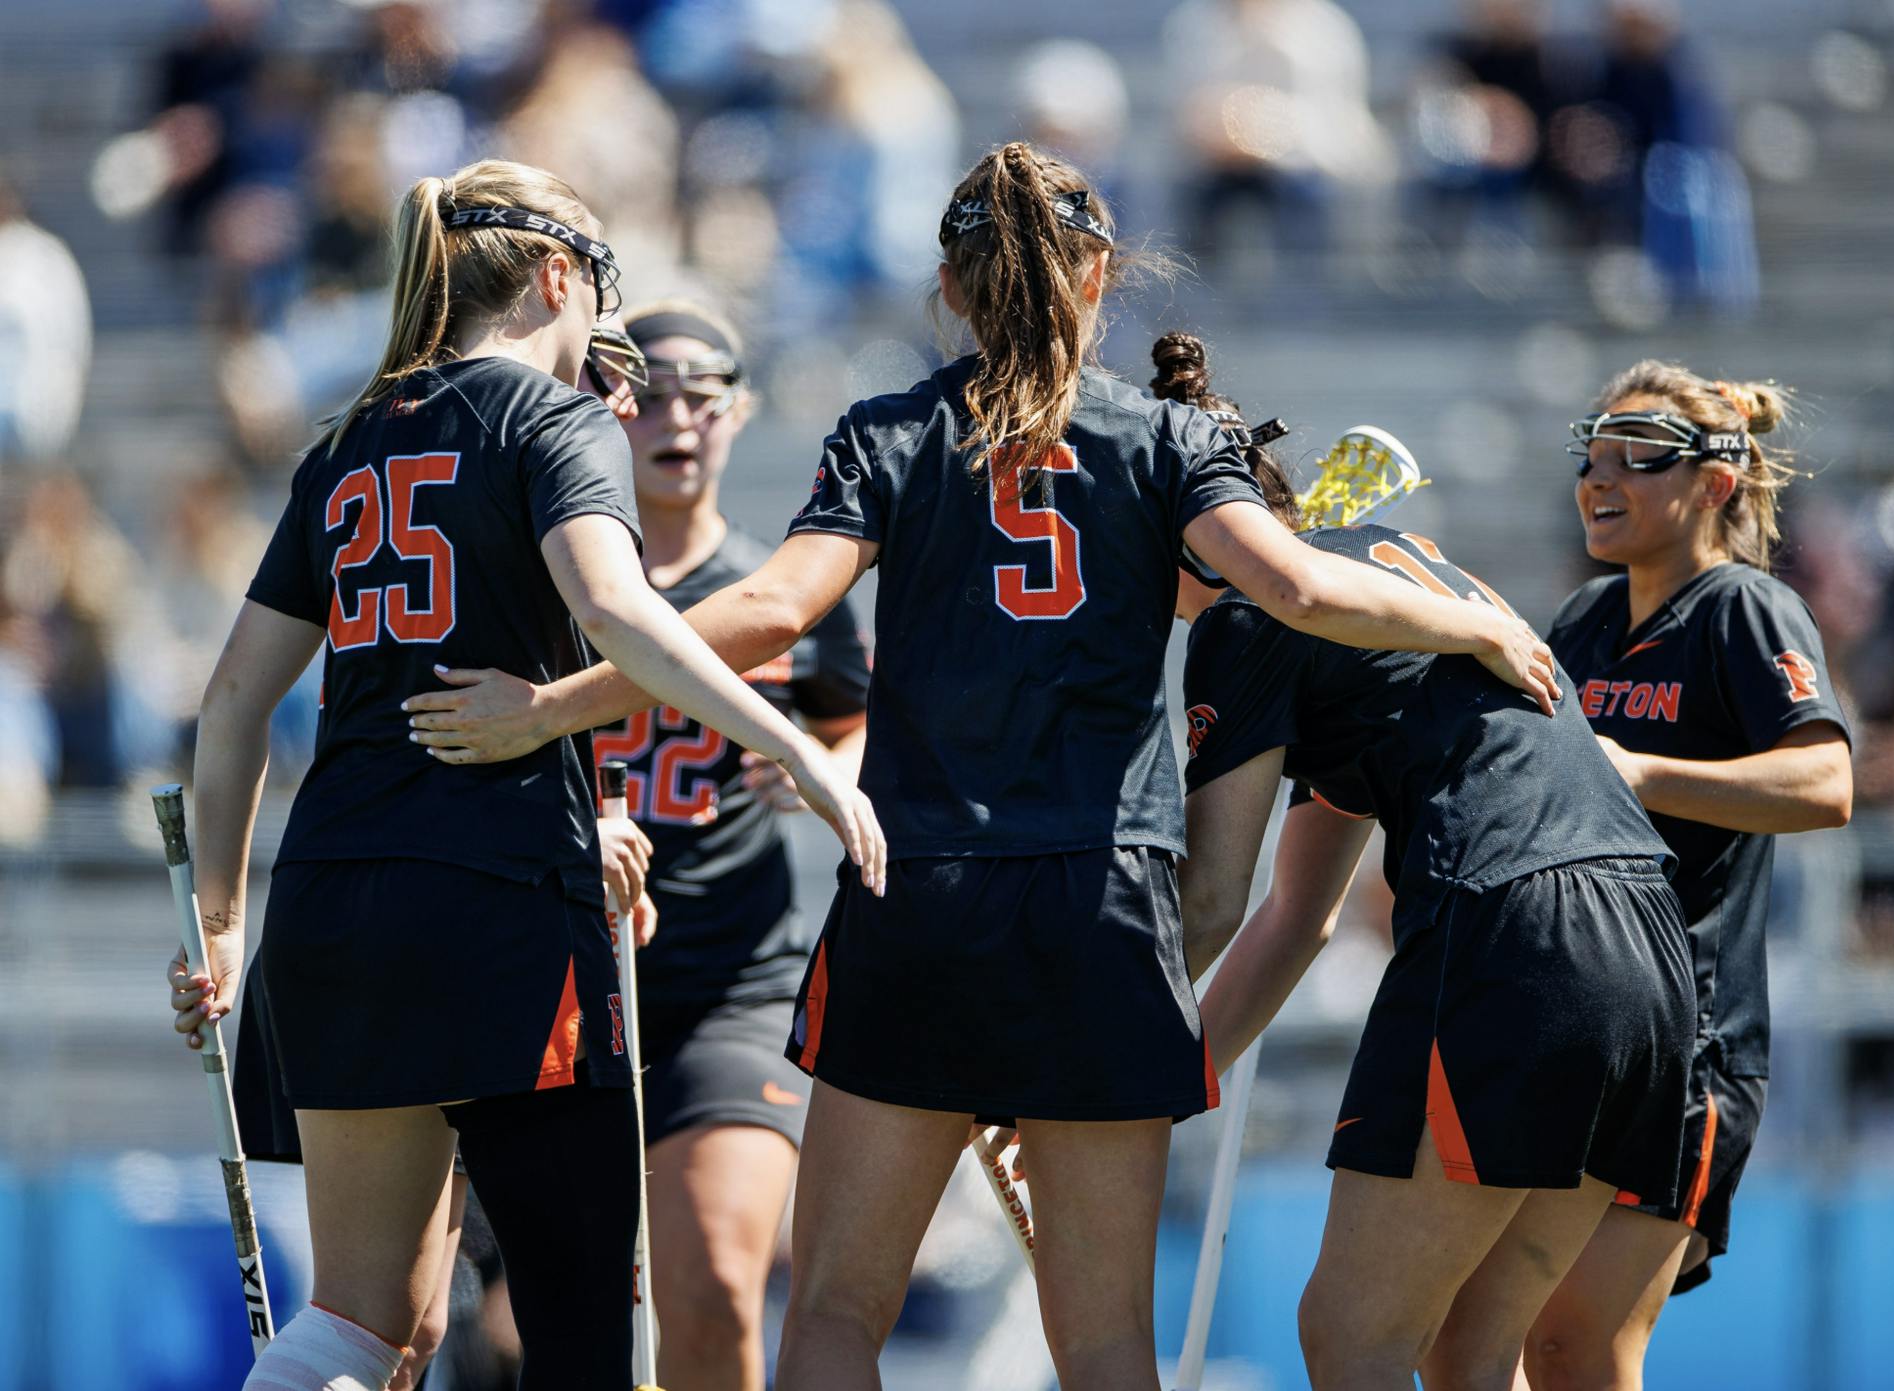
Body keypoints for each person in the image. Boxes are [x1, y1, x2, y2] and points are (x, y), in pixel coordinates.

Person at [401, 140, 1559, 1390]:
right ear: (1099, 275)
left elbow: (770, 612)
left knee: (839, 1314)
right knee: (1106, 1338)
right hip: (1101, 907)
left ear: (948, 288)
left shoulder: (888, 429)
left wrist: (555, 704)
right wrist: (1479, 619)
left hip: (920, 900)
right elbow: (1292, 583)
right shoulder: (1169, 434)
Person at [165, 157, 883, 1391]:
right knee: (584, 1336)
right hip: (498, 910)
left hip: (333, 902)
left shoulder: (348, 437)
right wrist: (796, 749)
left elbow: (232, 703)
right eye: (599, 286)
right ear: (555, 274)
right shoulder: (550, 422)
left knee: (354, 1327)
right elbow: (621, 611)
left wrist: (220, 926)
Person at [1157, 333, 1694, 1391]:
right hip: (1646, 946)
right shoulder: (1394, 569)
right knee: (1469, 1354)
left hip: (1508, 938)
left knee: (1350, 1334)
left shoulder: (1243, 614)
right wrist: (1165, 1079)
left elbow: (1212, 896)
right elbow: (1295, 915)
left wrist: (1081, 1058)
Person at [1528, 361, 1852, 1391]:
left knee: (1580, 1345)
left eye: (1637, 457)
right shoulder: (1579, 620)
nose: (1597, 475)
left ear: (1713, 484)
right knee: (1513, 1342)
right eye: (1591, 454)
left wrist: (1638, 768)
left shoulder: (1743, 609)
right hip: (1574, 1028)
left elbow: (1825, 779)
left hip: (1688, 1042)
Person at [592, 299, 870, 1391]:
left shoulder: (780, 595)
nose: (674, 418)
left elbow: (853, 727)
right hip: (566, 981)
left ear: (737, 411)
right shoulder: (560, 582)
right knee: (532, 1317)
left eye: (698, 397)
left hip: (731, 981)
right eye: (645, 395)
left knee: (709, 1277)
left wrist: (820, 771)